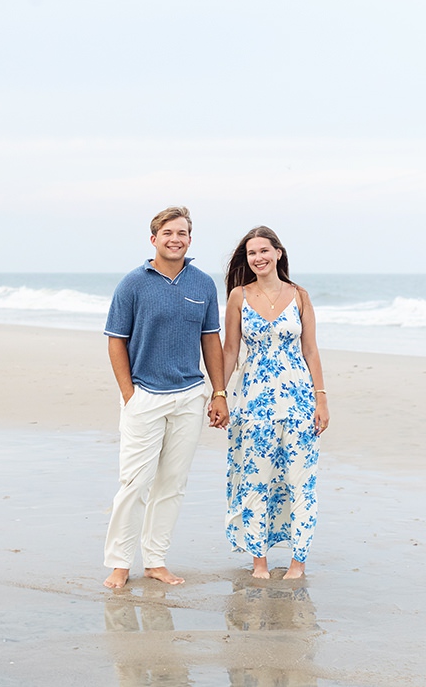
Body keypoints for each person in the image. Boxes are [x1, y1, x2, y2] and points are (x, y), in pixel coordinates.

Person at [102, 206, 229, 590]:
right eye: (169, 232)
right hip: (144, 396)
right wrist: (129, 394)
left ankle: (155, 561)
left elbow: (211, 339)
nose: (176, 239)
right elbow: (116, 340)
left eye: (183, 233)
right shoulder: (132, 284)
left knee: (172, 484)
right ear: (154, 238)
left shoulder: (203, 284)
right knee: (135, 483)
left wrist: (218, 392)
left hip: (189, 397)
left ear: (190, 239)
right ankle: (119, 563)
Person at [221, 226, 329, 580]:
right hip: (253, 402)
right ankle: (259, 562)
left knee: (300, 481)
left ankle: (298, 561)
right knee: (256, 479)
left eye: (264, 250)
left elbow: (310, 350)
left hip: (298, 401)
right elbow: (230, 350)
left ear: (278, 253)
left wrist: (321, 400)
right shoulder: (238, 296)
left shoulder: (299, 296)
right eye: (252, 253)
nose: (258, 258)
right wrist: (219, 393)